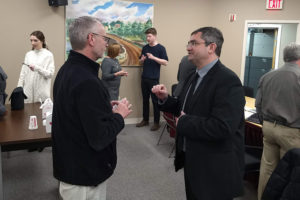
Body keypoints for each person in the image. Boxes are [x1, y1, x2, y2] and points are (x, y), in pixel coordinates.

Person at [152, 27, 245, 200]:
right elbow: (184, 106)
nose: (188, 47)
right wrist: (166, 99)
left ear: (211, 47)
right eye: (189, 43)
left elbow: (222, 127)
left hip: (214, 168)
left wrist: (185, 123)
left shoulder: (228, 81)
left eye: (194, 43)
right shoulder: (193, 76)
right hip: (193, 159)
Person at [52, 16, 132, 200]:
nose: (106, 43)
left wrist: (103, 108)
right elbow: (100, 137)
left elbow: (78, 115)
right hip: (84, 177)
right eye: (105, 38)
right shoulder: (88, 81)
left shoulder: (67, 70)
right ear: (91, 38)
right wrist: (119, 116)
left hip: (71, 166)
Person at [255, 43, 300, 200]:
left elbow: (258, 105)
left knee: (267, 170)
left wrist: (265, 122)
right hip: (292, 133)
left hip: (268, 129)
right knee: (292, 175)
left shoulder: (267, 76)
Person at [136, 27, 168, 131]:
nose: (147, 38)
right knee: (145, 100)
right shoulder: (145, 47)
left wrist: (153, 57)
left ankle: (156, 123)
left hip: (154, 79)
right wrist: (142, 60)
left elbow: (165, 62)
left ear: (155, 36)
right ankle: (145, 120)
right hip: (144, 78)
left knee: (155, 101)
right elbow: (140, 61)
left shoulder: (161, 48)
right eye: (147, 36)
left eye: (149, 36)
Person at [17, 30, 55, 103]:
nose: (32, 43)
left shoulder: (48, 55)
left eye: (35, 40)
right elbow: (23, 73)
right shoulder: (28, 54)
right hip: (27, 93)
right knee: (26, 113)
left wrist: (37, 68)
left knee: (40, 113)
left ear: (42, 41)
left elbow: (50, 74)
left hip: (42, 94)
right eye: (31, 40)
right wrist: (19, 88)